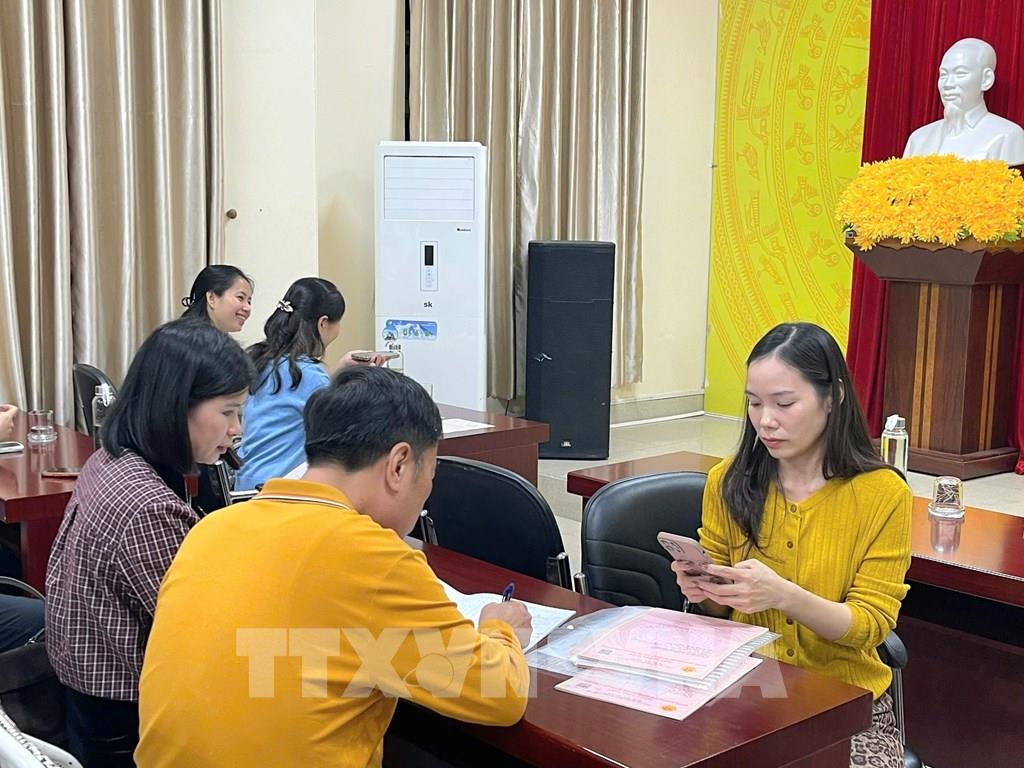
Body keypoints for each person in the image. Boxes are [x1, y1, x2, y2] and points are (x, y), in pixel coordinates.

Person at [136, 366, 531, 767]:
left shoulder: (212, 528)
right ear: (399, 465)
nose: (427, 492)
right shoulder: (374, 557)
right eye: (430, 473)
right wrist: (500, 628)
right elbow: (500, 694)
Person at [672, 322, 911, 768]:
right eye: (754, 403)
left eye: (784, 403)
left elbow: (871, 625)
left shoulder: (883, 494)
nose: (766, 420)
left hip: (845, 704)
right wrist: (704, 590)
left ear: (832, 397)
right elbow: (720, 614)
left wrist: (783, 595)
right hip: (745, 691)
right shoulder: (728, 481)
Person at [45, 319, 255, 767]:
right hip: (123, 718)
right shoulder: (149, 507)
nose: (237, 429)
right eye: (228, 412)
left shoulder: (113, 456)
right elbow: (204, 634)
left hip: (84, 688)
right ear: (177, 405)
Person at [237, 277, 385, 490]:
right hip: (279, 490)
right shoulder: (309, 375)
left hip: (246, 483)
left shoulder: (262, 359)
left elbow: (302, 402)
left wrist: (341, 367)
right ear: (323, 323)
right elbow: (343, 429)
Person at [904, 37, 1024, 165]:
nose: (948, 84)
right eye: (943, 74)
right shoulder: (919, 138)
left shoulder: (1007, 136)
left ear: (986, 79)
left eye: (960, 73)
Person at [180, 264, 254, 333]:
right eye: (240, 297)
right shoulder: (181, 339)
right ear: (211, 298)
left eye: (249, 302)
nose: (248, 308)